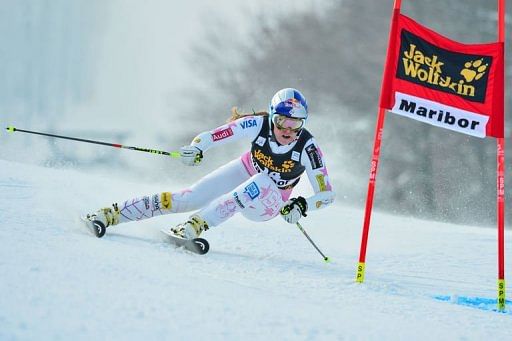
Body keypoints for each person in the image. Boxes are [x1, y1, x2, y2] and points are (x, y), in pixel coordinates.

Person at [85, 88, 335, 239]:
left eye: (296, 123)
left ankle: (197, 224)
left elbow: (326, 194)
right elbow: (215, 135)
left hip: (269, 203)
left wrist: (301, 205)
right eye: (282, 121)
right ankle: (113, 214)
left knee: (262, 180)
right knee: (190, 197)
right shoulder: (256, 124)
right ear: (272, 116)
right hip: (246, 170)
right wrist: (197, 147)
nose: (289, 130)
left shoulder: (308, 148)